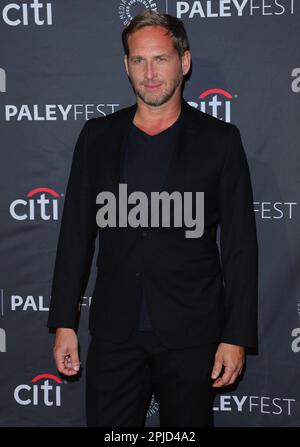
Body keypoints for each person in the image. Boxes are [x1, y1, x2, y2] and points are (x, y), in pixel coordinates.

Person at [47, 10, 258, 427]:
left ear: (184, 61)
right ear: (126, 65)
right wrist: (63, 322)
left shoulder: (220, 141)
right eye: (139, 60)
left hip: (192, 334)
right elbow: (75, 236)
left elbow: (239, 247)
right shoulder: (97, 137)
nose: (150, 73)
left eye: (160, 58)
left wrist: (236, 336)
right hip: (115, 334)